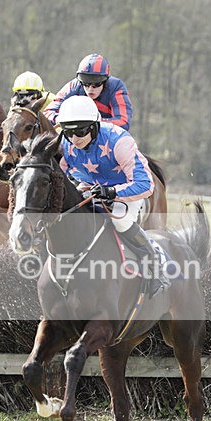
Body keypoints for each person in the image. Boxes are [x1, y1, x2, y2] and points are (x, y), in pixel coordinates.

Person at [56, 95, 167, 297]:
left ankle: (154, 266)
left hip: (125, 190)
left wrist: (112, 192)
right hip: (91, 188)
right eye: (68, 131)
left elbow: (146, 185)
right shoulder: (65, 143)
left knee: (121, 221)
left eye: (80, 131)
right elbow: (58, 177)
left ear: (95, 126)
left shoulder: (119, 141)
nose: (74, 138)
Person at [44, 53, 133, 131]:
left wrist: (90, 123)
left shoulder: (116, 87)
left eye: (96, 84)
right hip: (77, 136)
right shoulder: (74, 86)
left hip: (108, 138)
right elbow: (47, 113)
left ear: (105, 81)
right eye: (85, 83)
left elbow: (123, 123)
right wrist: (63, 119)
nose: (90, 89)